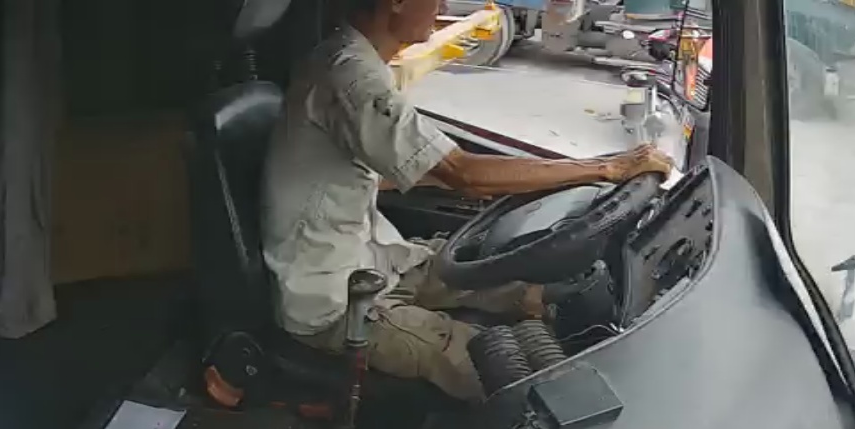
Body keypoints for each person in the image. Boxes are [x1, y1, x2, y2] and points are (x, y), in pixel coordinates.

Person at [262, 0, 673, 401]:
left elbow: (410, 170)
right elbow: (461, 173)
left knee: (540, 288)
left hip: (378, 261)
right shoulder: (350, 77)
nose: (442, 7)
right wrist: (606, 168)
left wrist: (508, 178)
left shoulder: (354, 64)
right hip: (333, 298)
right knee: (502, 370)